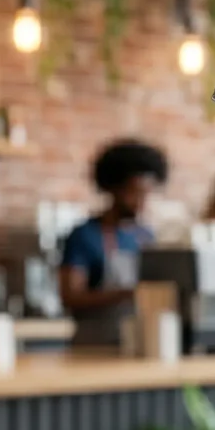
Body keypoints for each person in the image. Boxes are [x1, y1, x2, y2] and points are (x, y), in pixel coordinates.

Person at [60, 139, 168, 346]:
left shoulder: (146, 235)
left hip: (136, 343)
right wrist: (127, 294)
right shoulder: (84, 235)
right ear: (112, 189)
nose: (141, 202)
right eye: (134, 193)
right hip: (91, 345)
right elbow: (70, 297)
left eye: (146, 194)